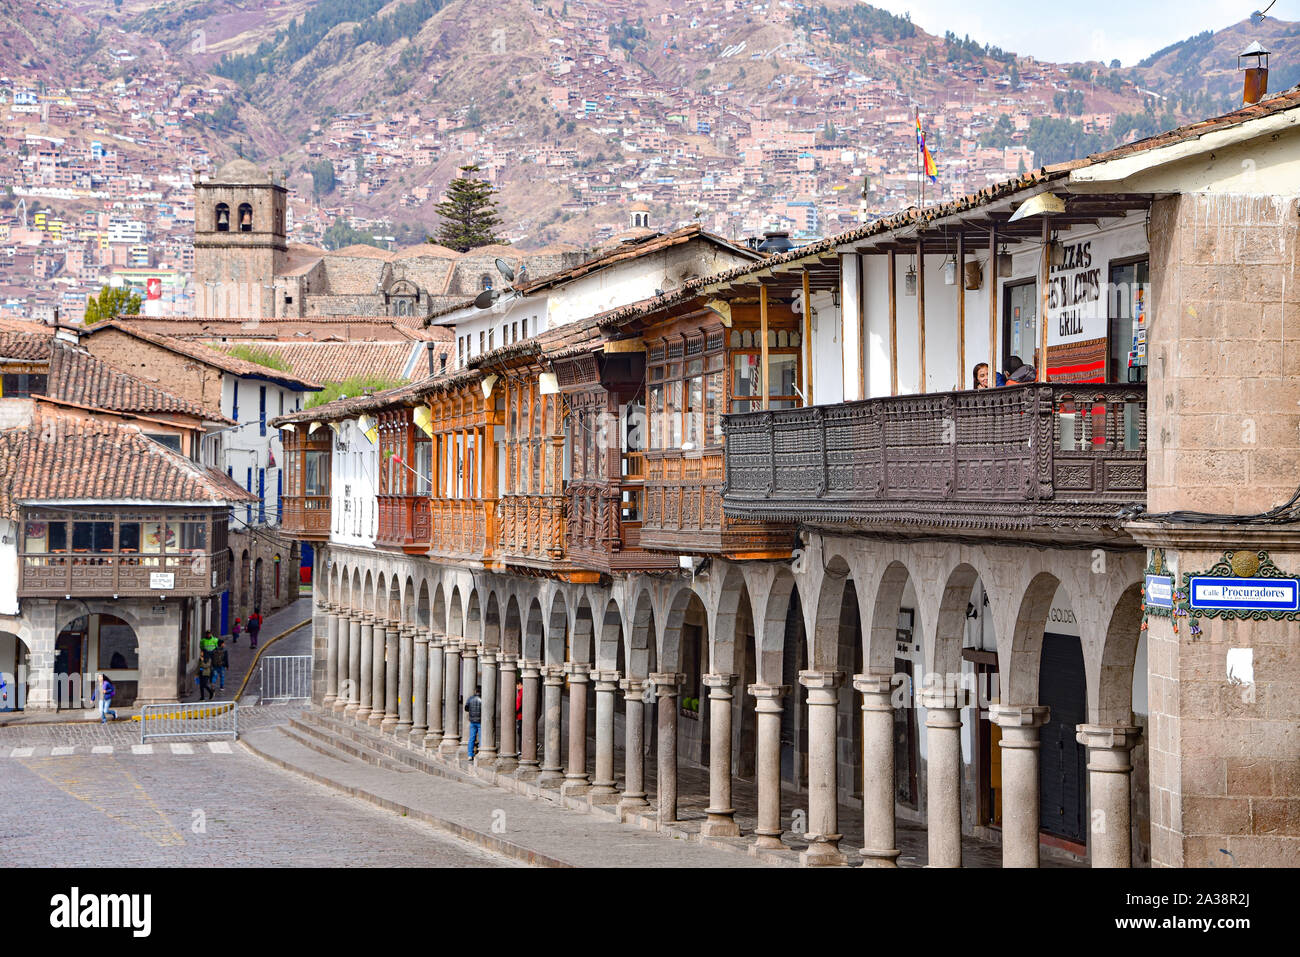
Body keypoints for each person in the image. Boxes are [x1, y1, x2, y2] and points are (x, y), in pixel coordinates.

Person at [465, 685, 483, 760]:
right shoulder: (482, 699)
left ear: (475, 691)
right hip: (480, 721)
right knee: (481, 737)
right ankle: (481, 752)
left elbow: (466, 708)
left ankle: (470, 754)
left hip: (472, 721)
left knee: (472, 738)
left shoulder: (470, 698)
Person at [515, 677, 523, 749]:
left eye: (517, 685)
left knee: (520, 733)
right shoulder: (520, 692)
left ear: (520, 684)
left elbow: (518, 705)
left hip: (521, 716)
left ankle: (521, 749)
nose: (516, 686)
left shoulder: (521, 692)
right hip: (521, 716)